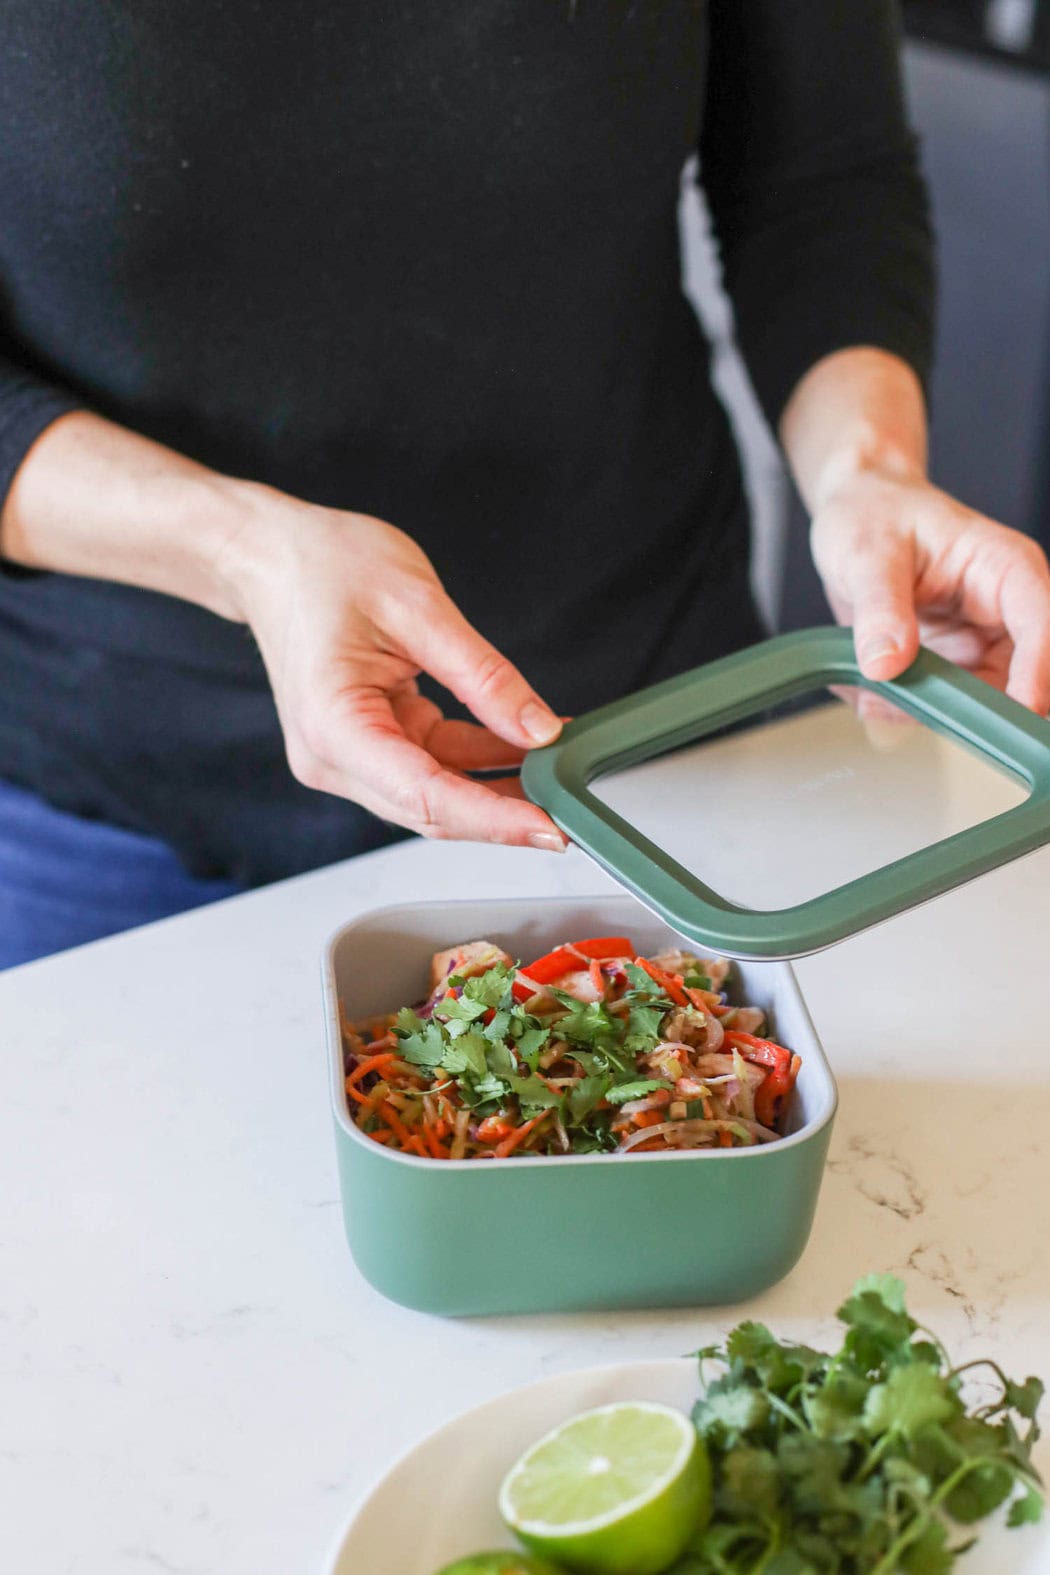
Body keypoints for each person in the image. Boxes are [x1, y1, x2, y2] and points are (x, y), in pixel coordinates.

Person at [0, 2, 1047, 969]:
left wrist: (866, 471)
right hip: (114, 801)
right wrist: (245, 552)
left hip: (652, 736)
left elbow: (820, 178)